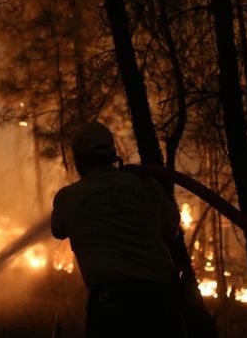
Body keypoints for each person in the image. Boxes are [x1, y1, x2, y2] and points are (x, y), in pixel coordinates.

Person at [51, 121, 184, 338]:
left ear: (78, 159)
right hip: (160, 301)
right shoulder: (147, 185)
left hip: (111, 305)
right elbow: (171, 230)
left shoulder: (69, 197)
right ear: (113, 153)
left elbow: (58, 230)